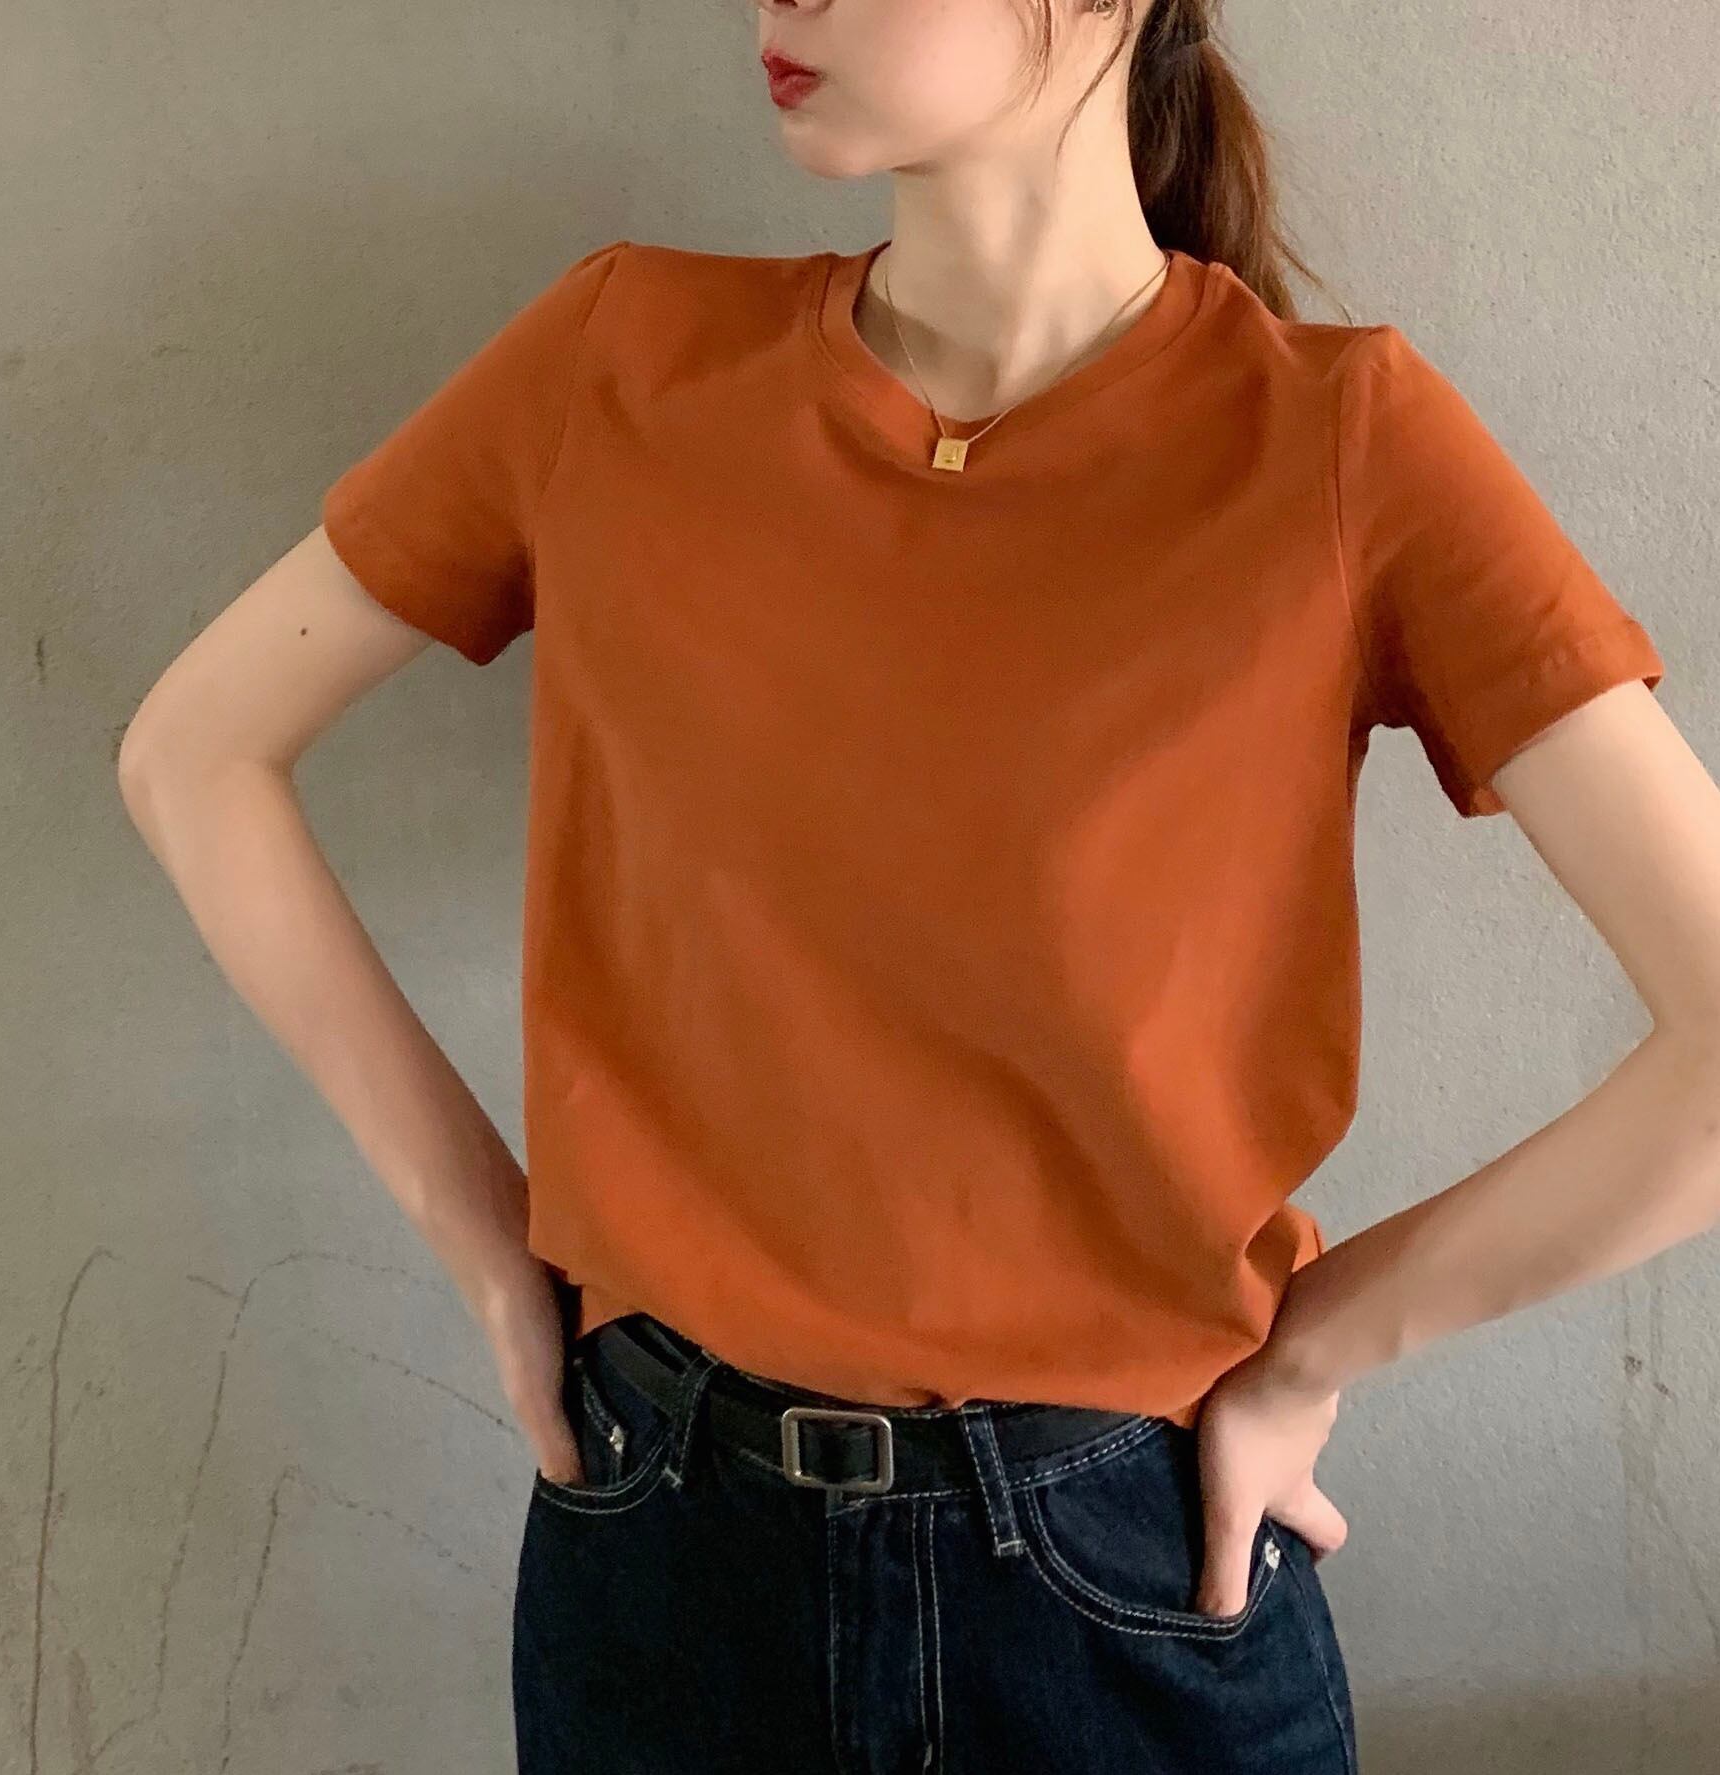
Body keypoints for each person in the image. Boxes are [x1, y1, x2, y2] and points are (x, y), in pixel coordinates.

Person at [115, 2, 1717, 1771]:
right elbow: (195, 754)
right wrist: (489, 1246)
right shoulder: (616, 357)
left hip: (1120, 1566)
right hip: (660, 1546)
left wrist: (1314, 1351)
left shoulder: (1339, 440)